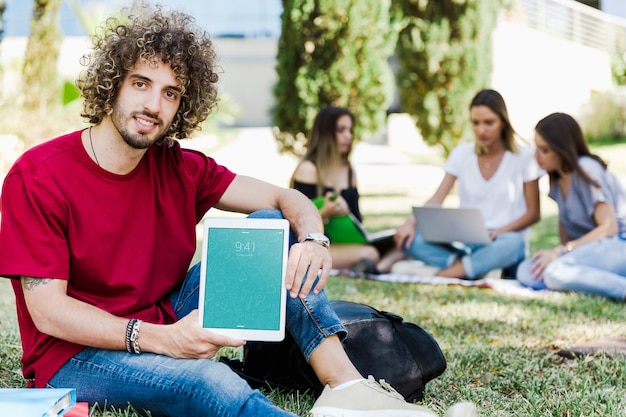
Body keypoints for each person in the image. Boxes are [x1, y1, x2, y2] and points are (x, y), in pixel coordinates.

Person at [0, 3, 478, 417]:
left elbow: (285, 201)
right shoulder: (39, 174)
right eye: (141, 83)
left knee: (272, 229)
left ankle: (347, 388)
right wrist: (165, 341)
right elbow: (49, 313)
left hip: (167, 316)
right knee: (213, 384)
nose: (153, 104)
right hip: (74, 357)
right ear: (112, 84)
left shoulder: (178, 166)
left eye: (170, 93)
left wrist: (313, 238)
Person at [393, 89, 544, 279]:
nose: (481, 130)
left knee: (515, 243)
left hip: (503, 241)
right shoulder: (462, 154)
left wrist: (498, 232)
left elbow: (533, 214)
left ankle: (448, 272)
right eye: (476, 123)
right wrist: (410, 223)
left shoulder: (524, 157)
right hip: (466, 242)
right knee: (411, 238)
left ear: (503, 122)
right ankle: (475, 268)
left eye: (489, 122)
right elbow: (437, 199)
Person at [516, 112, 626, 301]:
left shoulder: (586, 168)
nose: (537, 156)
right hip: (590, 252)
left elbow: (609, 228)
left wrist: (560, 252)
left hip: (618, 244)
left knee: (555, 271)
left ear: (562, 149)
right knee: (527, 271)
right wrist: (555, 254)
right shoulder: (557, 180)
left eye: (544, 150)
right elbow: (567, 235)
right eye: (536, 148)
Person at [290, 106, 404, 274]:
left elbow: (357, 219)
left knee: (403, 244)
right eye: (341, 130)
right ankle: (375, 268)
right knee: (370, 253)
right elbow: (298, 225)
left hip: (346, 244)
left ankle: (373, 268)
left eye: (350, 130)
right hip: (316, 244)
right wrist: (327, 212)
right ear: (325, 133)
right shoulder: (308, 170)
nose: (348, 136)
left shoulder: (349, 171)